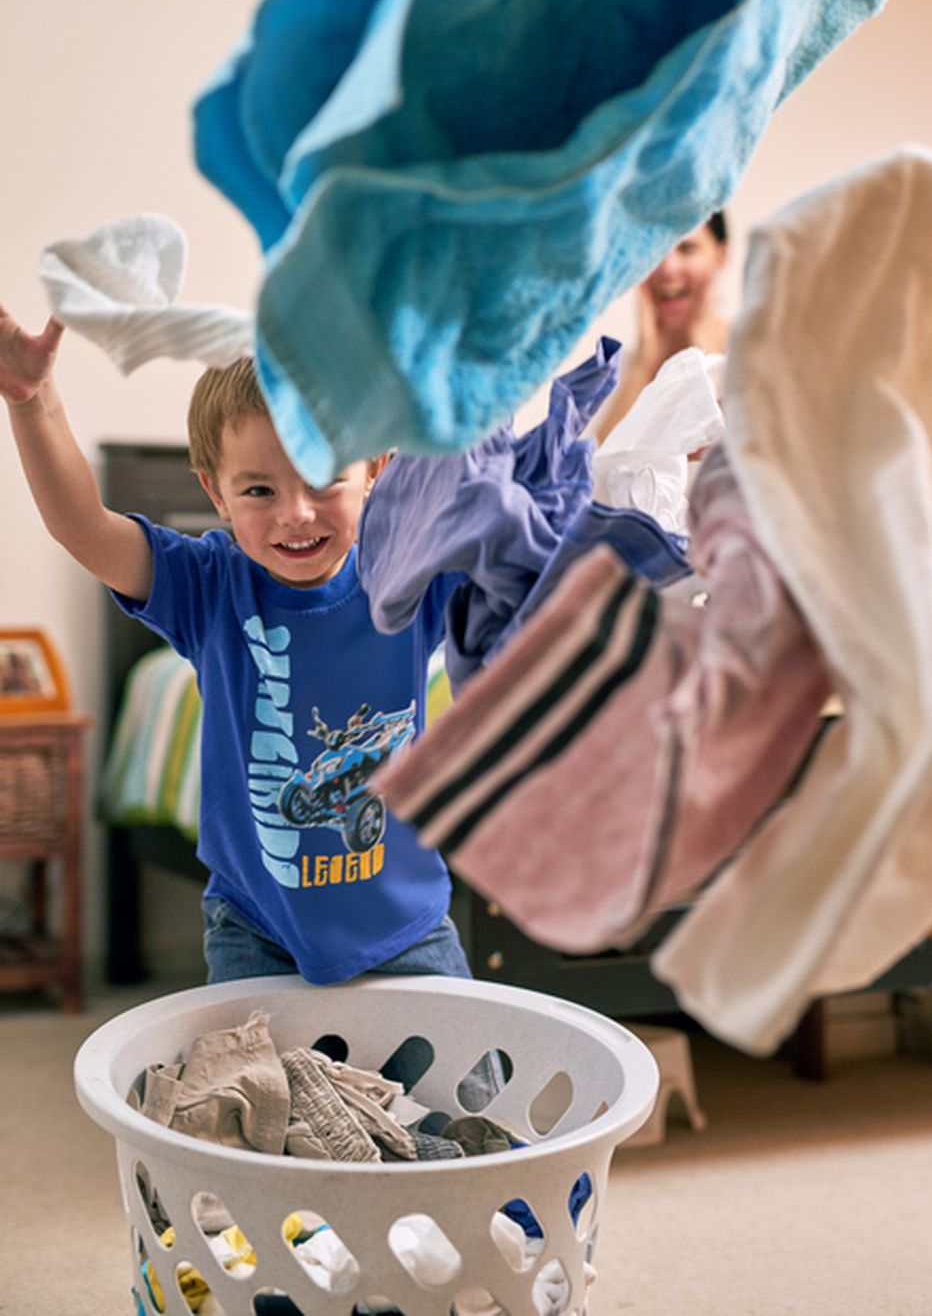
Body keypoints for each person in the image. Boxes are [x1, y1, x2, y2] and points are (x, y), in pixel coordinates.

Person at [0, 305, 482, 991]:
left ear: (375, 467)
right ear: (215, 493)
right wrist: (33, 401)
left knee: (460, 1065)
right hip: (255, 930)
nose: (295, 513)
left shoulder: (411, 570)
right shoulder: (206, 586)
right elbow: (83, 526)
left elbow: (533, 550)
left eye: (321, 478)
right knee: (244, 1067)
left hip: (407, 928)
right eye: (259, 489)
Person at [593, 210, 730, 444]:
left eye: (687, 249)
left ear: (721, 256)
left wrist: (707, 355)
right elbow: (595, 463)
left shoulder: (757, 351)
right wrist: (643, 364)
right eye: (655, 251)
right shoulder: (623, 369)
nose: (667, 268)